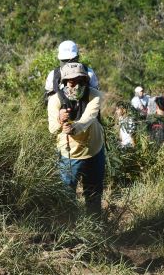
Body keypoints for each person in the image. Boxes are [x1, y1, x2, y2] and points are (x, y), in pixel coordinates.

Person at [47, 62, 105, 215]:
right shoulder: (55, 100)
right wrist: (60, 121)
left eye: (81, 81)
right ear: (64, 82)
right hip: (69, 154)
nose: (76, 85)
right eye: (72, 81)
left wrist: (74, 128)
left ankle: (95, 226)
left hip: (94, 149)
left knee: (94, 193)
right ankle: (70, 225)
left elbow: (88, 118)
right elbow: (52, 128)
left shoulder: (95, 95)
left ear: (86, 81)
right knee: (67, 193)